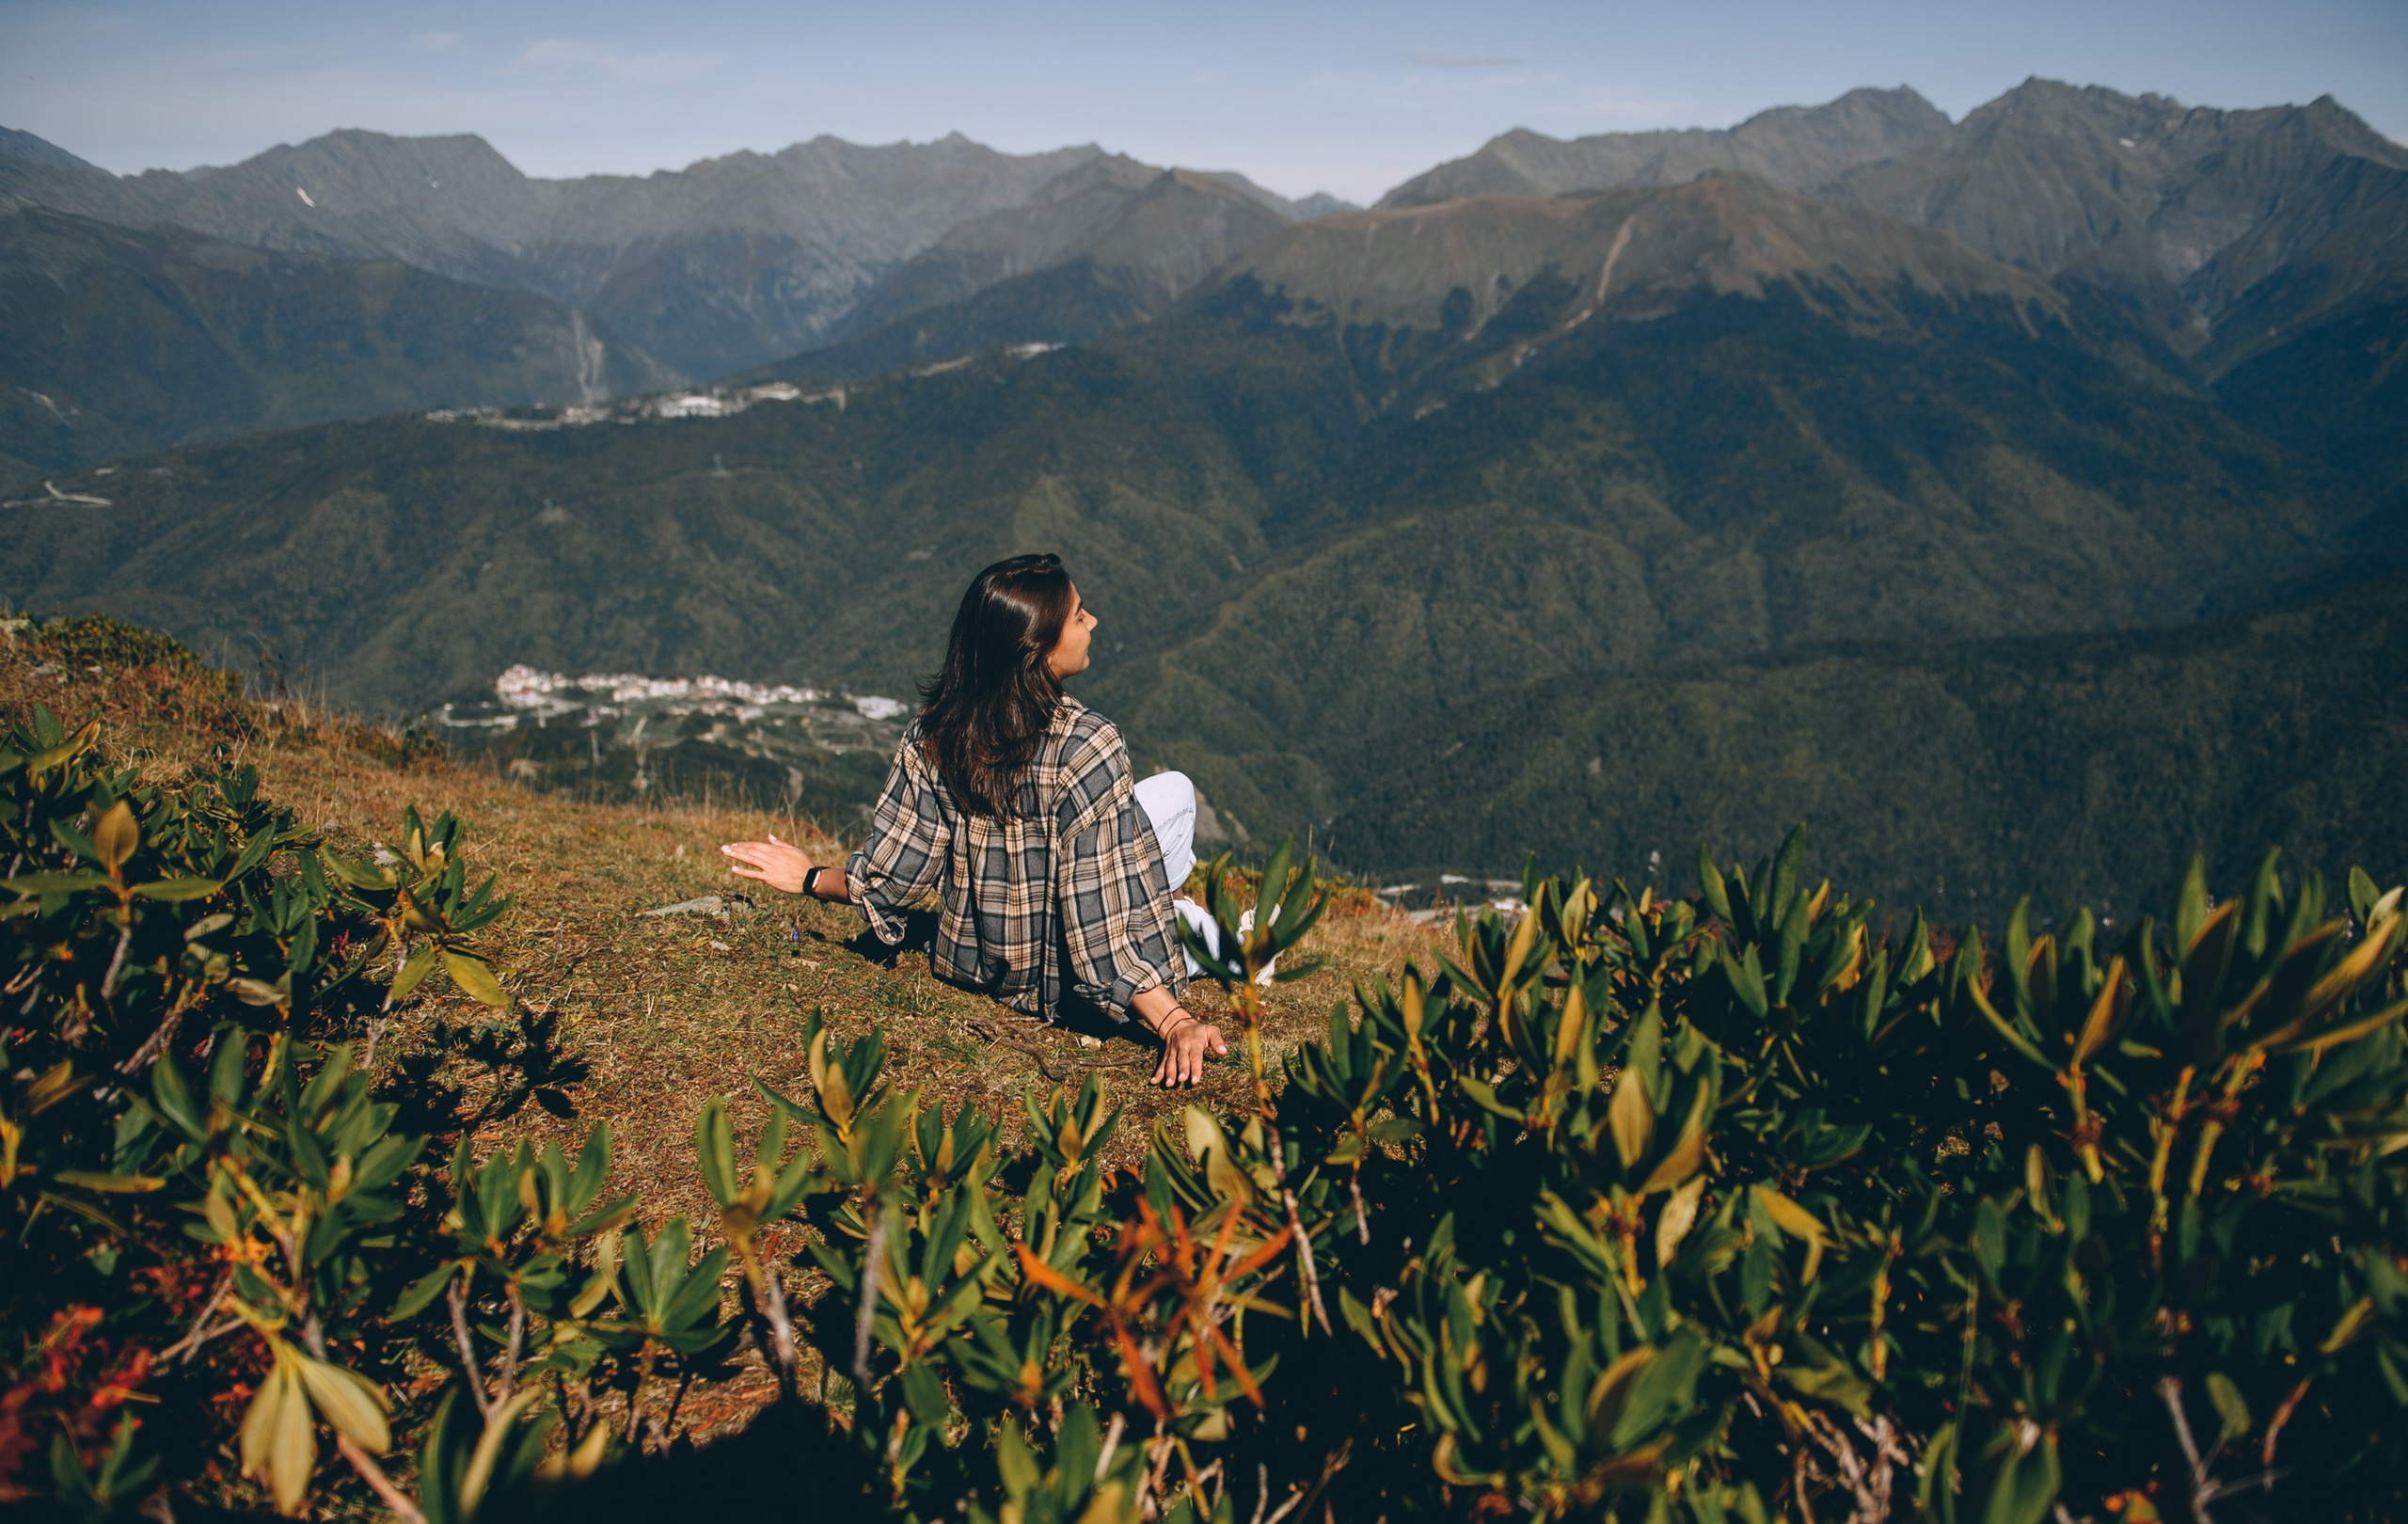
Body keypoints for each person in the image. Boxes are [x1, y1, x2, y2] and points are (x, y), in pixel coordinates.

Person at [720, 553, 1229, 1087]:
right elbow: (1099, 933)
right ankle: (1194, 923)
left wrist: (807, 877)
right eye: (1079, 616)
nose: (1093, 622)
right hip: (1066, 984)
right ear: (1037, 647)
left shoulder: (933, 733)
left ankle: (1162, 898)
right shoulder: (1088, 746)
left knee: (1162, 803)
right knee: (1177, 799)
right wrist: (1177, 1022)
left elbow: (896, 876)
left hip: (975, 962)